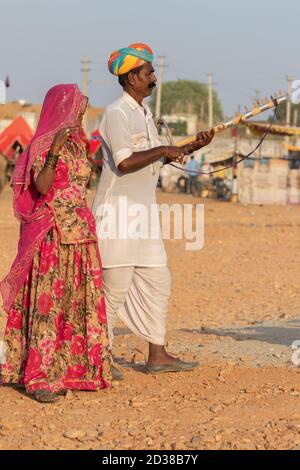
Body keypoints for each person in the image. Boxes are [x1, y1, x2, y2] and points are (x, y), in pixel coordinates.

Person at [92, 43, 214, 375]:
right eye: (148, 72)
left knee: (157, 279)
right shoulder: (117, 114)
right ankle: (98, 356)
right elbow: (126, 161)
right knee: (114, 287)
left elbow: (158, 158)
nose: (153, 77)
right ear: (132, 77)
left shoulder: (144, 113)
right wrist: (165, 148)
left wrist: (191, 147)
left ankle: (157, 354)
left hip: (143, 215)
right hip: (117, 214)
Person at [0, 84, 111, 402]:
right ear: (61, 109)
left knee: (74, 305)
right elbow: (43, 186)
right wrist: (53, 154)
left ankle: (71, 370)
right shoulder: (43, 146)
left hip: (80, 235)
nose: (79, 115)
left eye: (81, 109)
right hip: (51, 236)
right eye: (76, 108)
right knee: (48, 306)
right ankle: (37, 377)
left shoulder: (80, 147)